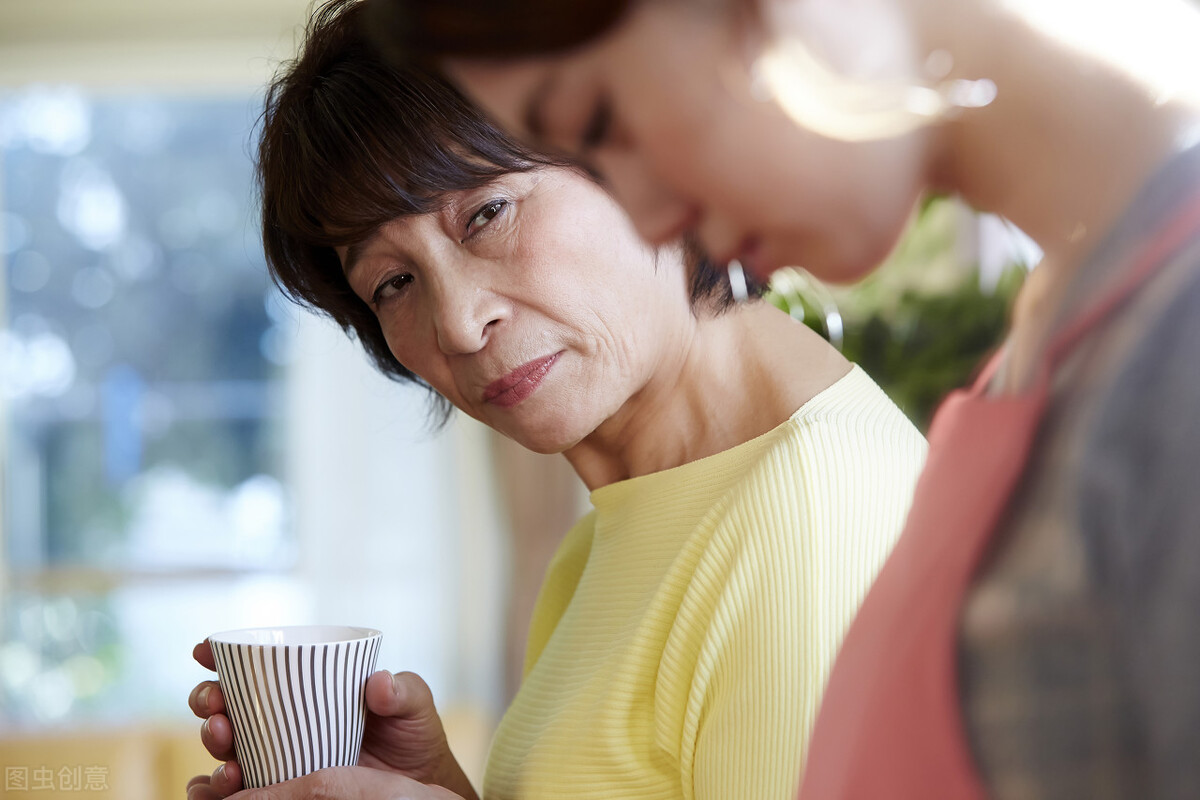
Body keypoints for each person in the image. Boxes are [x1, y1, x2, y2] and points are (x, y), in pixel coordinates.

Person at [364, 0, 1200, 796]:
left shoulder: (1167, 354)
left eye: (598, 122)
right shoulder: (1057, 348)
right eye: (392, 283)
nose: (649, 216)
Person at [184, 1, 928, 798]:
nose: (459, 323)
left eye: (487, 213)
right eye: (394, 283)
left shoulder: (811, 514)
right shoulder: (599, 541)